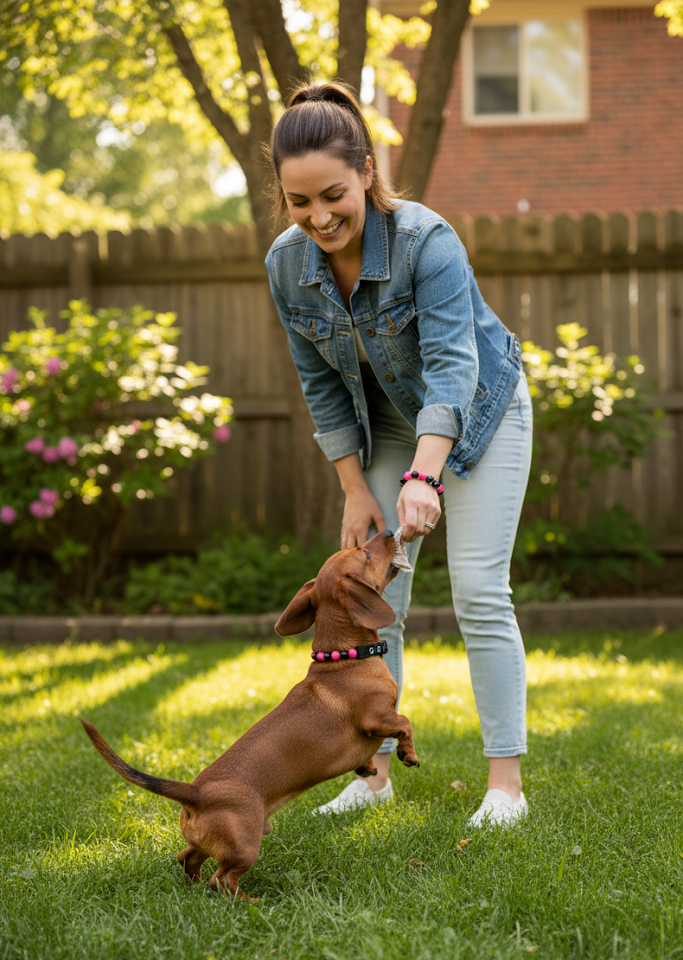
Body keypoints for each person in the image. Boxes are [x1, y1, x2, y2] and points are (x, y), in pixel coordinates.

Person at [264, 81, 533, 827]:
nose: (318, 217)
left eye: (333, 195)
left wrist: (425, 472)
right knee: (373, 607)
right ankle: (371, 773)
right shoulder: (285, 265)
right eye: (298, 201)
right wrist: (355, 489)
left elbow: (453, 363)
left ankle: (504, 787)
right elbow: (319, 383)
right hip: (382, 428)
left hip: (480, 415)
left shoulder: (425, 240)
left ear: (367, 172)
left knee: (478, 592)